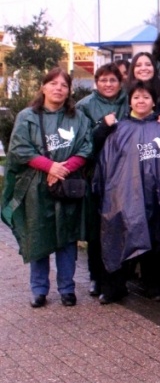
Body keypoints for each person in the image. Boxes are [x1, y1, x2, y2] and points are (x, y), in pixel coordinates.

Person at [2, 67, 92, 308]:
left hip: (67, 184)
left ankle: (67, 289)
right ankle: (39, 289)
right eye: (53, 83)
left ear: (69, 90)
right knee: (38, 235)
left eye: (63, 85)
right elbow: (20, 149)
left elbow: (85, 147)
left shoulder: (77, 117)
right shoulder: (27, 116)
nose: (58, 88)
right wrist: (49, 167)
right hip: (36, 185)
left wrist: (63, 169)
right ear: (43, 87)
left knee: (66, 237)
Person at [93, 80, 160, 303]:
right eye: (137, 97)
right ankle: (113, 287)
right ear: (130, 100)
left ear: (153, 101)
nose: (141, 101)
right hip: (122, 195)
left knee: (153, 238)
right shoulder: (118, 129)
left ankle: (155, 285)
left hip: (155, 194)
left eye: (146, 97)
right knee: (117, 237)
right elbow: (105, 161)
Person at [76, 63, 129, 297]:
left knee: (123, 226)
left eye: (113, 80)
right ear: (96, 82)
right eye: (103, 80)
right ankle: (95, 276)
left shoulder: (129, 100)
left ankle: (120, 277)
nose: (108, 84)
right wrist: (103, 127)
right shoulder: (85, 105)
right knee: (97, 229)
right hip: (96, 174)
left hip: (126, 174)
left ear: (120, 82)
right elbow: (84, 141)